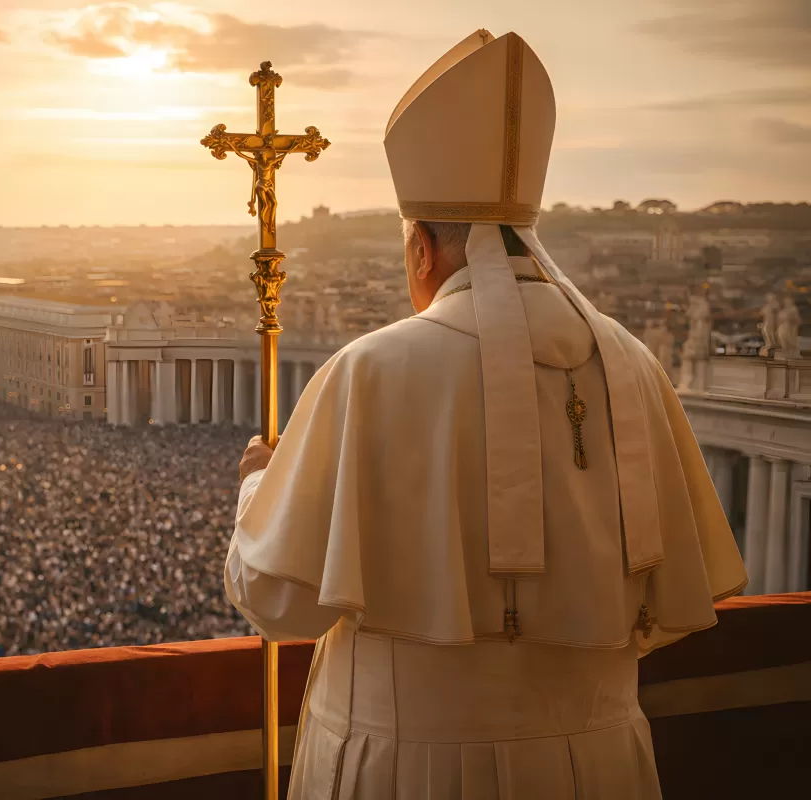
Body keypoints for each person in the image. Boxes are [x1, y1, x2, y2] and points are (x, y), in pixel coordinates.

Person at [224, 29, 746, 799]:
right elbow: (662, 608)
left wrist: (257, 491)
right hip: (600, 768)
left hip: (409, 769)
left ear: (422, 251)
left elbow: (277, 601)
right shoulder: (637, 369)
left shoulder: (369, 370)